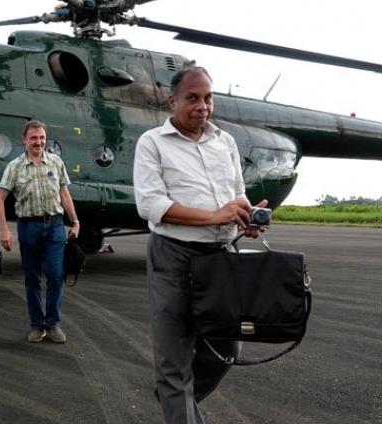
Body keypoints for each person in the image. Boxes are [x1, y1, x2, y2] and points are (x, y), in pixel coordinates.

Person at [133, 65, 268, 423]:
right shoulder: (152, 143)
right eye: (192, 98)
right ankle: (175, 393)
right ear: (172, 101)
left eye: (208, 98)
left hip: (222, 257)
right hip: (174, 257)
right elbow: (150, 205)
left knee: (227, 347)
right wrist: (214, 217)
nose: (202, 106)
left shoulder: (225, 142)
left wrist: (245, 215)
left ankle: (174, 394)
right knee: (174, 356)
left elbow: (237, 193)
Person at [0, 120, 80, 344]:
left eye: (42, 138)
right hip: (28, 227)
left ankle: (52, 324)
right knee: (32, 278)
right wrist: (4, 230)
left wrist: (75, 221)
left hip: (55, 226)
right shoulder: (14, 167)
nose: (38, 142)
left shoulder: (56, 162)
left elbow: (64, 193)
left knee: (55, 274)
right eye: (34, 138)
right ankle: (36, 325)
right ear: (24, 140)